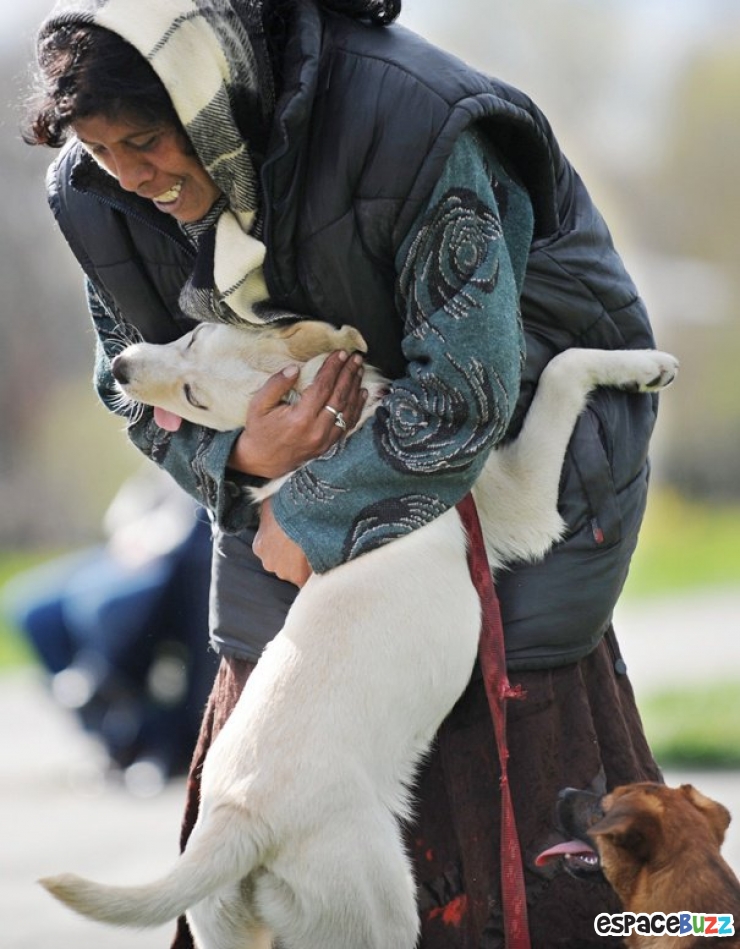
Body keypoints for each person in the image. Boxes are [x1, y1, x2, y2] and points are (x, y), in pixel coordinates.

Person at [25, 0, 663, 945]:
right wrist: (241, 460)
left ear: (212, 97)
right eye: (101, 149)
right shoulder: (97, 189)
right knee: (270, 796)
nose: (128, 175)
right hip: (278, 497)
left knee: (565, 884)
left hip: (514, 468)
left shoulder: (419, 124)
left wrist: (308, 515)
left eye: (146, 141)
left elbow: (464, 393)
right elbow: (133, 389)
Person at [2, 467, 217, 789]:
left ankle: (121, 704)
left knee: (103, 606)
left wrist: (156, 540)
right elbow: (139, 492)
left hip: (175, 553)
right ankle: (104, 731)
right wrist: (129, 531)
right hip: (134, 542)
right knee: (32, 609)